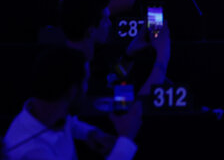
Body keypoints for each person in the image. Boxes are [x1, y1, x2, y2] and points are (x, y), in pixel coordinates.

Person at [1, 46, 141, 160]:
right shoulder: (33, 153)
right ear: (72, 91)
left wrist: (90, 134)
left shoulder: (46, 112)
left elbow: (69, 123)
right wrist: (126, 137)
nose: (87, 88)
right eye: (85, 81)